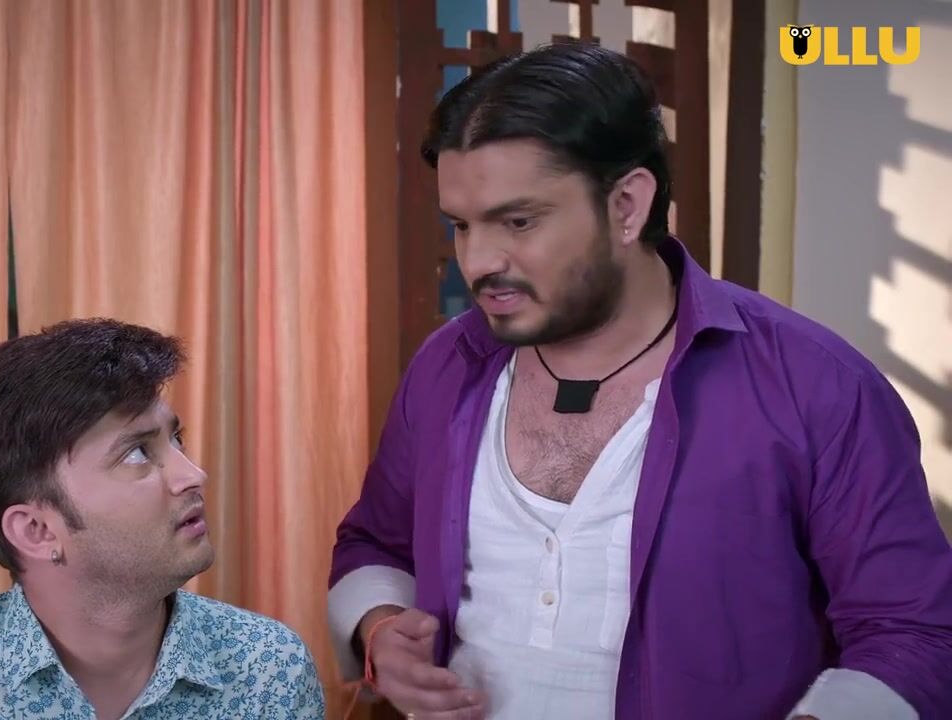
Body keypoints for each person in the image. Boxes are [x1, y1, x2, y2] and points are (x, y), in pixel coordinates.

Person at [328, 43, 952, 720]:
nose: (476, 262)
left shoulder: (817, 387)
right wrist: (380, 629)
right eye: (461, 225)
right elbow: (376, 543)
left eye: (518, 221)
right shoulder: (450, 363)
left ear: (627, 205)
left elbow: (915, 634)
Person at [0, 318, 325, 719]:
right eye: (137, 453)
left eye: (175, 439)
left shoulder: (268, 672)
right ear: (37, 530)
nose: (194, 475)